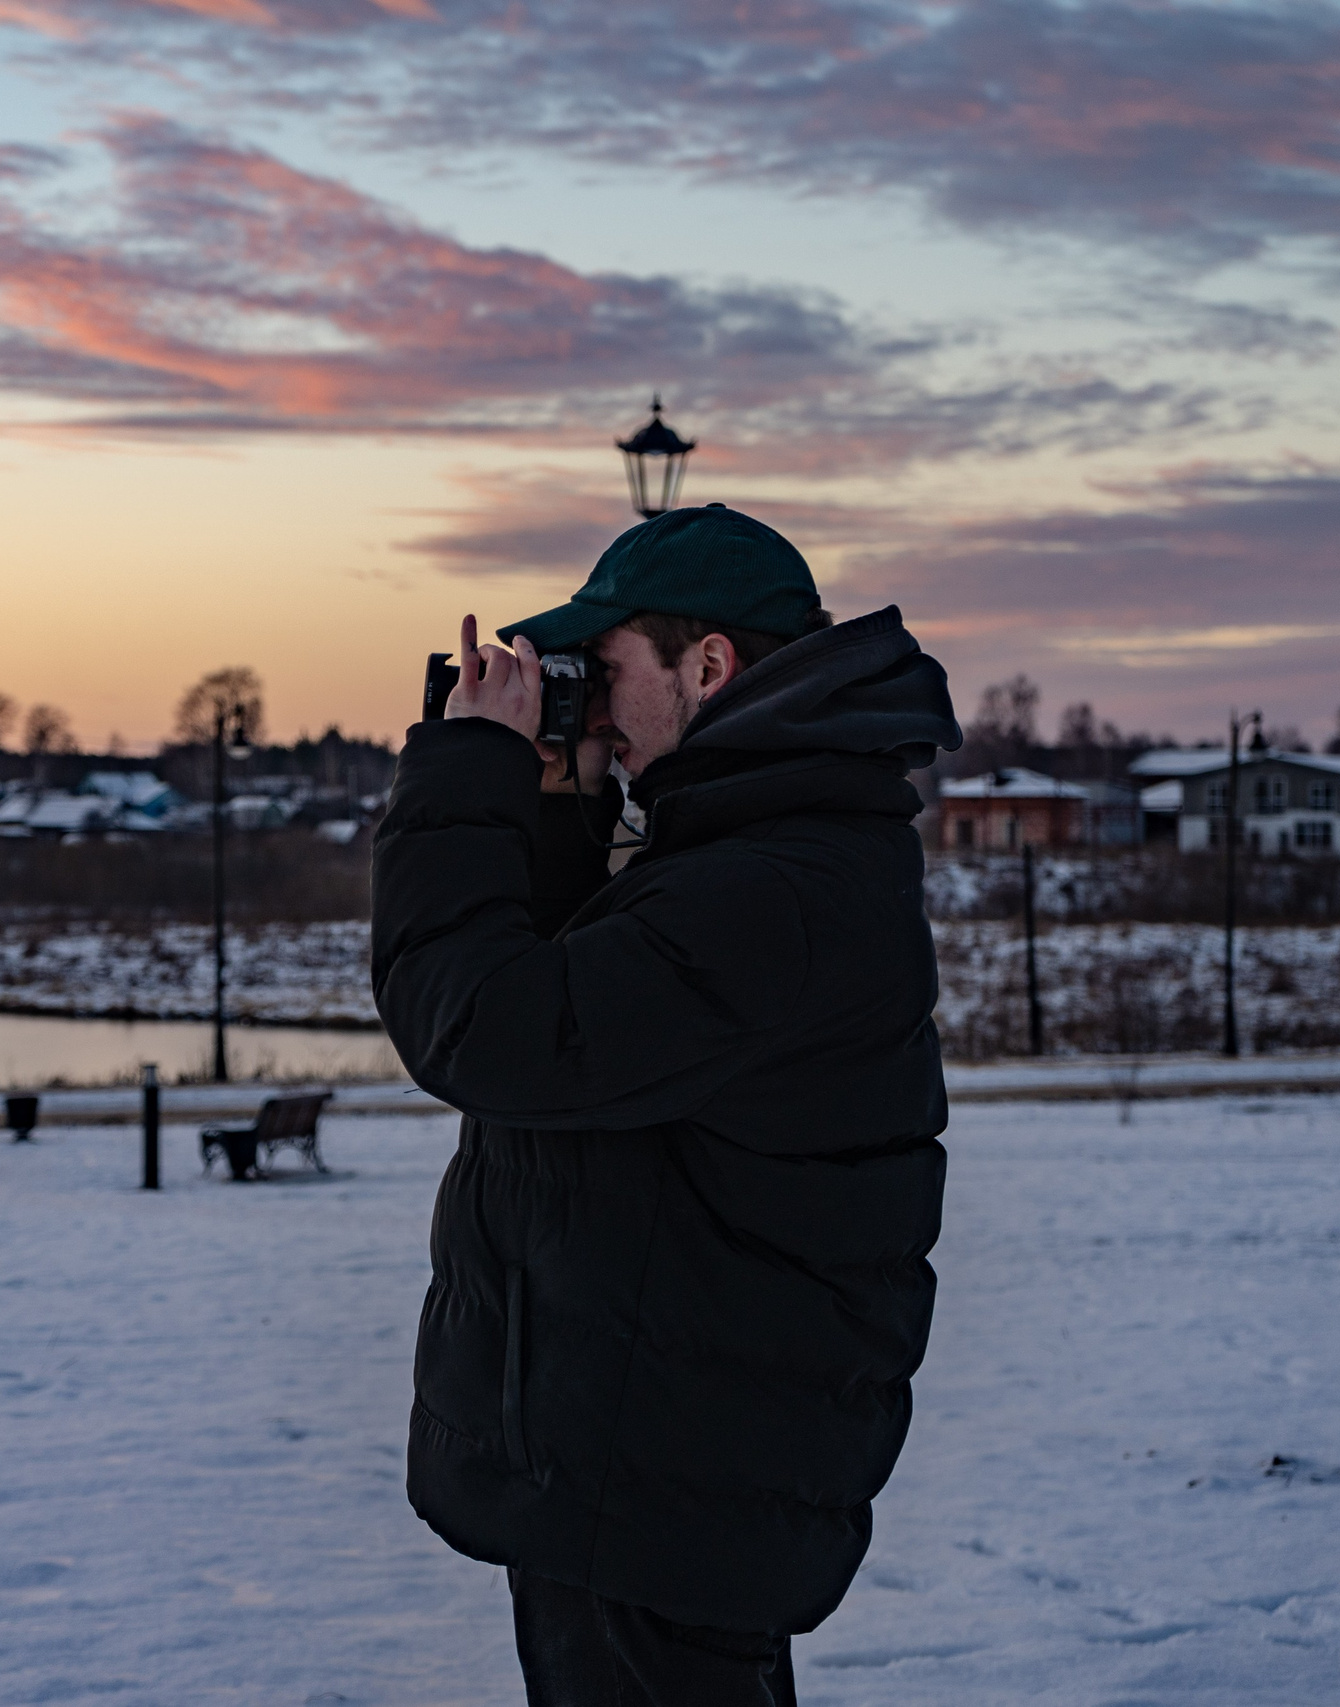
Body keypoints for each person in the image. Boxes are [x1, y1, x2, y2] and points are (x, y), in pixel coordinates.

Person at [370, 504, 962, 1706]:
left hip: (662, 1477)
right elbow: (580, 1020)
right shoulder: (756, 853)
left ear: (709, 664)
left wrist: (464, 774)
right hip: (657, 1459)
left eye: (608, 672)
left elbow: (487, 1033)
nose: (592, 710)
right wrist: (550, 798)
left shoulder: (768, 886)